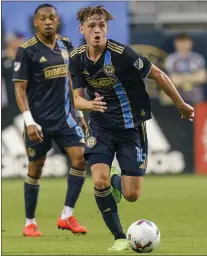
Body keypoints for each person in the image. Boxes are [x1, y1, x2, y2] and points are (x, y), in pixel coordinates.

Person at [69, 6, 194, 251]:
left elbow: (157, 74)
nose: (97, 31)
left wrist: (181, 105)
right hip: (100, 127)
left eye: (102, 26)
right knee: (99, 179)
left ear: (107, 28)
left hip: (130, 128)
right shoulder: (76, 58)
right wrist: (90, 104)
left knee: (131, 195)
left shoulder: (122, 53)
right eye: (92, 26)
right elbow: (76, 99)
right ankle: (118, 237)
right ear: (82, 29)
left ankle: (118, 178)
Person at [13, 3, 88, 237]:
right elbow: (20, 89)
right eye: (43, 18)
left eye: (52, 18)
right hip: (38, 123)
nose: (48, 22)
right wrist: (29, 121)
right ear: (35, 22)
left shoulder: (66, 44)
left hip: (65, 119)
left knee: (81, 159)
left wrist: (80, 112)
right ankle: (30, 222)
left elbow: (71, 79)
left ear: (57, 21)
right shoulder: (27, 50)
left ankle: (66, 216)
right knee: (36, 168)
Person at [164, 33, 207, 106]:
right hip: (178, 97)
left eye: (186, 42)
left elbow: (202, 78)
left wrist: (182, 78)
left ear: (191, 43)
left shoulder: (197, 58)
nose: (183, 45)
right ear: (176, 44)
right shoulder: (171, 59)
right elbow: (173, 80)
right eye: (181, 42)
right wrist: (193, 77)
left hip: (196, 98)